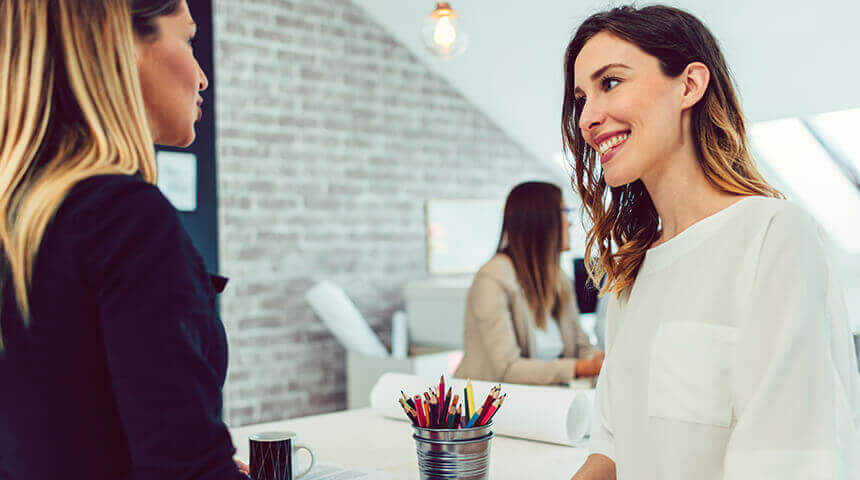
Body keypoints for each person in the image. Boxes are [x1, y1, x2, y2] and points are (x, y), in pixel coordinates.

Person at [561, 5, 860, 480]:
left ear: (690, 85)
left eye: (610, 83)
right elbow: (613, 447)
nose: (588, 117)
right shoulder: (630, 272)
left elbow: (788, 460)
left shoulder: (775, 235)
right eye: (580, 98)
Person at [0, 1, 250, 478]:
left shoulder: (21, 216)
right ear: (121, 45)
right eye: (187, 39)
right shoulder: (125, 221)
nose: (202, 78)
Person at [454, 182, 604, 385]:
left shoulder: (558, 278)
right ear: (541, 220)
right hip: (490, 410)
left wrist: (603, 361)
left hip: (543, 402)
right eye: (564, 211)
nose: (569, 223)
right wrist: (581, 368)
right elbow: (507, 369)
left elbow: (581, 347)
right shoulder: (491, 280)